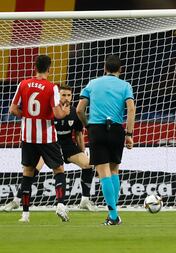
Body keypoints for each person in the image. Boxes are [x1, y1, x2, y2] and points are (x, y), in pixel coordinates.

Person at [3, 84, 96, 212]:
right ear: (58, 96)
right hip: (49, 145)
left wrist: (82, 150)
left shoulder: (76, 112)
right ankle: (16, 201)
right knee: (32, 170)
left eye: (69, 95)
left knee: (88, 164)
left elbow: (79, 135)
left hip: (68, 146)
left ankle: (85, 200)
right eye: (63, 95)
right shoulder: (52, 110)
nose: (66, 98)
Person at [8, 55, 70, 222]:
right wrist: (65, 112)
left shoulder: (23, 84)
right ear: (49, 68)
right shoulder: (52, 87)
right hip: (47, 137)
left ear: (35, 67)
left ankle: (25, 215)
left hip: (27, 137)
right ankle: (60, 204)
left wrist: (27, 116)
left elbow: (13, 109)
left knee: (27, 173)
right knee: (59, 170)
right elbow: (57, 114)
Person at [76, 54, 135, 225]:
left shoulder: (93, 83)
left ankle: (113, 215)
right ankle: (114, 213)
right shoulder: (125, 85)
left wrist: (88, 126)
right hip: (116, 129)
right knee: (114, 170)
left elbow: (80, 109)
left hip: (97, 129)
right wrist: (129, 135)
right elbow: (131, 110)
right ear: (120, 70)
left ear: (104, 68)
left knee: (103, 172)